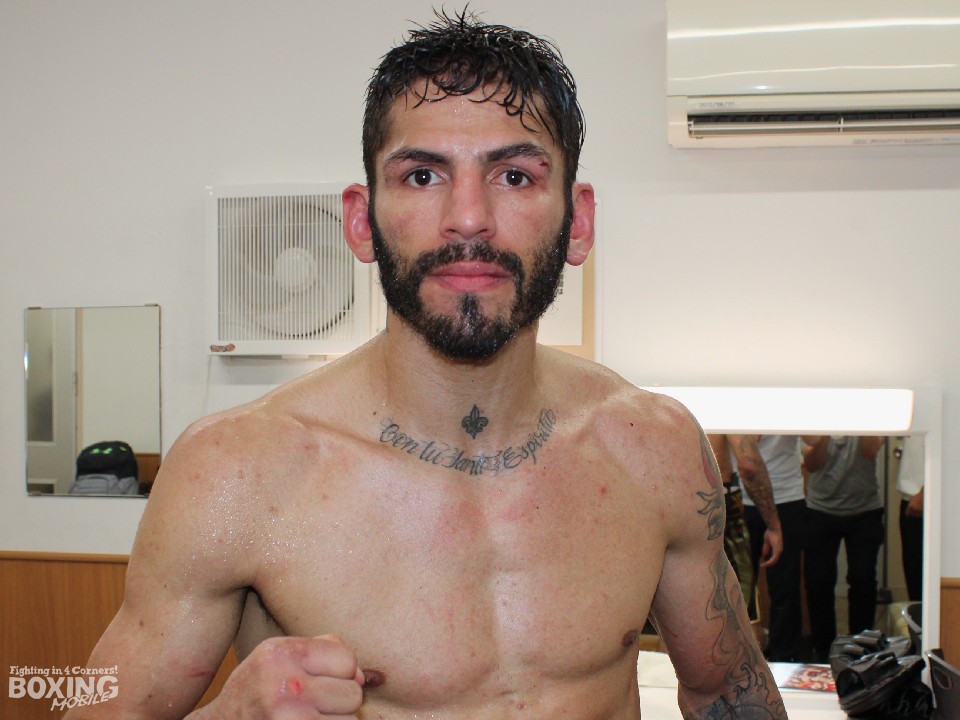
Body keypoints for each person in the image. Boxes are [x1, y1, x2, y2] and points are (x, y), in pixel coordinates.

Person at [67, 11, 786, 719]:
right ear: (361, 222)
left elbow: (727, 693)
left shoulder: (653, 448)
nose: (468, 217)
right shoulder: (237, 472)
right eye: (421, 176)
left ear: (579, 221)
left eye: (514, 175)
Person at [803, 435, 886, 663]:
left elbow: (870, 450)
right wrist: (826, 432)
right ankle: (823, 653)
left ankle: (862, 651)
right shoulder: (815, 416)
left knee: (863, 580)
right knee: (819, 583)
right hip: (820, 508)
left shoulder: (872, 412)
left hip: (865, 509)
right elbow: (811, 464)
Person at [729, 435, 810, 662]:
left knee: (784, 588)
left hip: (785, 496)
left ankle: (783, 659)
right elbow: (748, 464)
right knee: (736, 589)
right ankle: (739, 661)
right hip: (740, 497)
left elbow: (815, 438)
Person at [707, 434, 782, 627]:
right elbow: (750, 466)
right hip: (717, 503)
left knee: (676, 610)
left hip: (665, 505)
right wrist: (773, 525)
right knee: (741, 612)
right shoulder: (726, 412)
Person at [896, 435, 924, 601]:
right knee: (913, 573)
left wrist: (925, 492)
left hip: (926, 498)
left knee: (922, 578)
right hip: (911, 496)